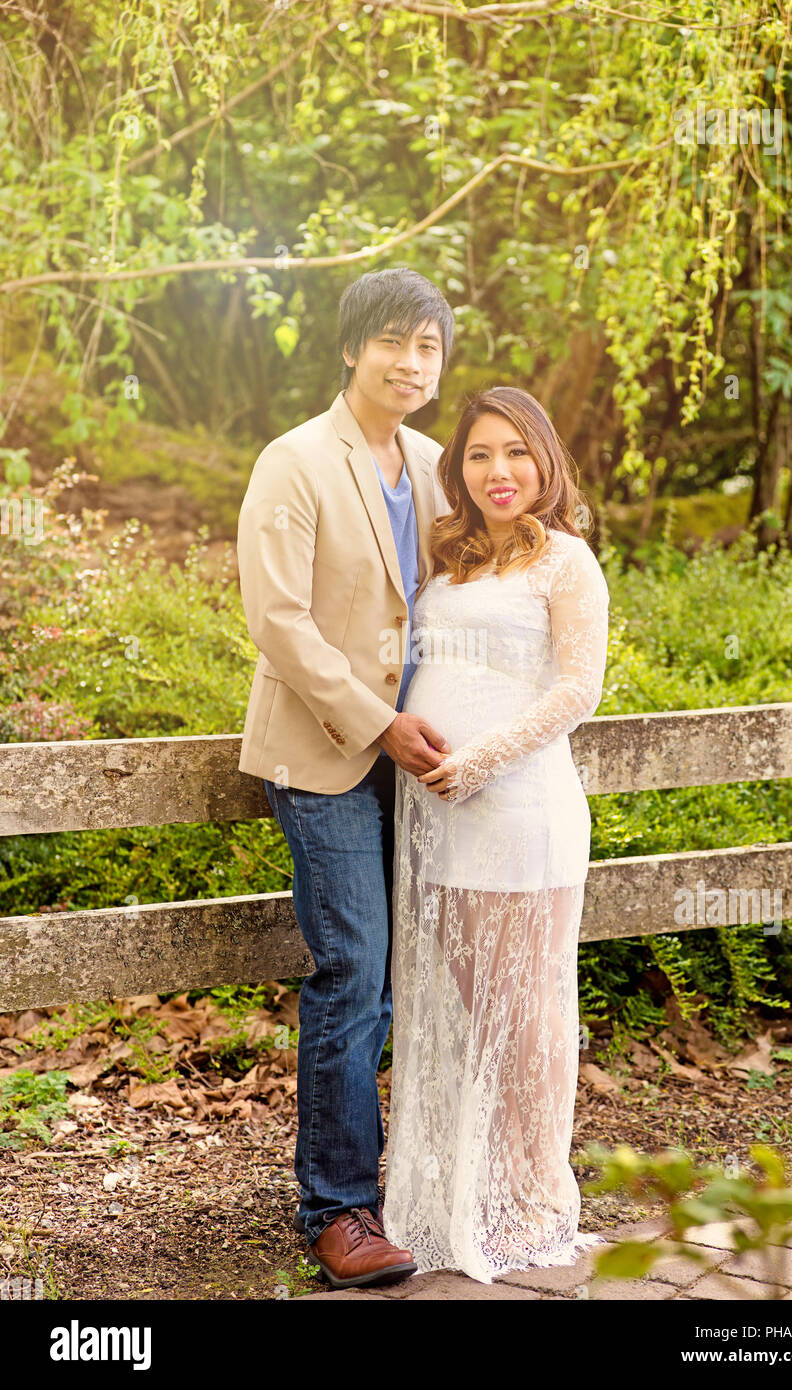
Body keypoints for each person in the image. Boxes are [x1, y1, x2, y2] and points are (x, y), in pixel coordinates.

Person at [236, 266, 456, 1289]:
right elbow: (279, 622)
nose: (410, 365)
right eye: (393, 344)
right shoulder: (293, 462)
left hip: (423, 761)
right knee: (353, 972)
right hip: (327, 752)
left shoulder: (434, 461)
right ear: (349, 349)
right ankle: (336, 1210)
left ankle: (412, 1176)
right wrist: (378, 724)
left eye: (428, 348)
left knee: (413, 976)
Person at [382, 386, 610, 1284]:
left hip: (520, 811)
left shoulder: (565, 561)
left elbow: (575, 690)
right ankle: (483, 1179)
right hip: (441, 821)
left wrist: (477, 762)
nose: (498, 471)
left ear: (544, 461)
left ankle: (538, 1195)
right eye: (479, 455)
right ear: (459, 470)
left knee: (530, 1013)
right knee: (481, 1004)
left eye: (516, 452)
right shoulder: (451, 562)